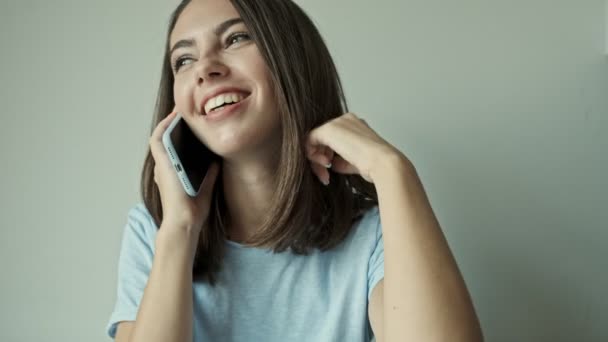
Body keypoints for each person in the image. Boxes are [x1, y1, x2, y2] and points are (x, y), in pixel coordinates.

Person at [106, 0, 484, 341]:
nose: (205, 69)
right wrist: (180, 230)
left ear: (290, 58)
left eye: (236, 38)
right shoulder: (153, 232)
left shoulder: (375, 235)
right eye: (183, 60)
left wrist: (392, 170)